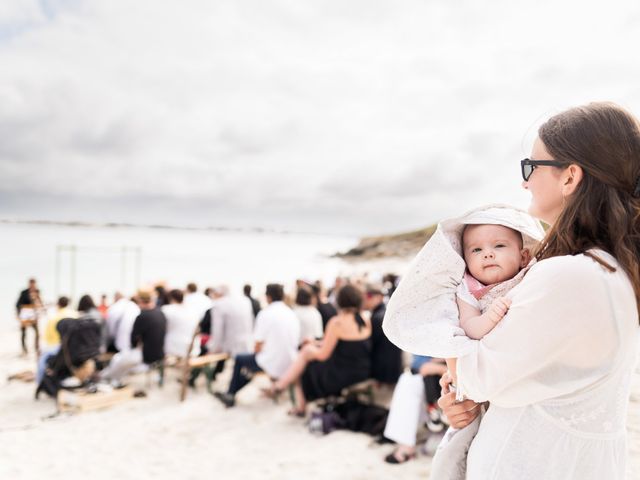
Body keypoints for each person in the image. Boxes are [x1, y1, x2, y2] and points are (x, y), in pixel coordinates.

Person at [386, 102, 640, 479]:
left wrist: (460, 376)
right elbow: (532, 376)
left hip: (533, 463)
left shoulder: (571, 276)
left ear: (570, 177)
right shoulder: (611, 270)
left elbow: (478, 376)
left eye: (531, 167)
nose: (525, 182)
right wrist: (466, 392)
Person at [263, 284, 372, 417]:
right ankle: (281, 386)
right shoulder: (365, 320)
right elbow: (348, 345)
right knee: (307, 352)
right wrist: (316, 343)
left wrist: (310, 349)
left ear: (340, 301)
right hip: (362, 370)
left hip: (342, 374)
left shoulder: (337, 322)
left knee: (303, 365)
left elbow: (322, 355)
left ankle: (290, 397)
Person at [214, 283, 299, 408]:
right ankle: (232, 391)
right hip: (291, 361)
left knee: (240, 359)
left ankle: (230, 394)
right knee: (247, 367)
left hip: (273, 362)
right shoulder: (291, 313)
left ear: (268, 297)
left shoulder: (266, 314)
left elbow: (257, 345)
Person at [382, 356, 448, 464]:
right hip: (435, 376)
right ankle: (406, 443)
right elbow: (417, 362)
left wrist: (442, 368)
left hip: (459, 373)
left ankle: (436, 419)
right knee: (409, 380)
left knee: (416, 378)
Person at [100, 289, 166, 384]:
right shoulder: (160, 313)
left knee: (117, 359)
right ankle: (114, 380)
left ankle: (107, 379)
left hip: (146, 355)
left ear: (140, 300)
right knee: (122, 361)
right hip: (159, 353)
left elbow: (133, 339)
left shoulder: (142, 316)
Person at [205, 285, 254, 381]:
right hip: (246, 342)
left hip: (229, 344)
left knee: (206, 350)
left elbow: (217, 330)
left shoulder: (219, 304)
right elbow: (251, 322)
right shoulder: (245, 301)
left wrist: (213, 348)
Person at [365, 284, 403, 384]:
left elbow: (371, 343)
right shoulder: (385, 313)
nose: (366, 300)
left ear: (379, 297)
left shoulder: (378, 317)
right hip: (393, 366)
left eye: (369, 296)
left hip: (384, 369)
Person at [162, 289, 199, 357]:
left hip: (173, 347)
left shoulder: (166, 309)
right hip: (192, 345)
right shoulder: (193, 310)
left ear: (170, 298)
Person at [16, 278, 42, 354]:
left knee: (37, 333)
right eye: (31, 284)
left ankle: (37, 348)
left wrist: (40, 309)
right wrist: (19, 314)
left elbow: (39, 301)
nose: (32, 285)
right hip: (25, 314)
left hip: (33, 315)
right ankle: (24, 349)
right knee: (24, 333)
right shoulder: (24, 292)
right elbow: (18, 304)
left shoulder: (37, 291)